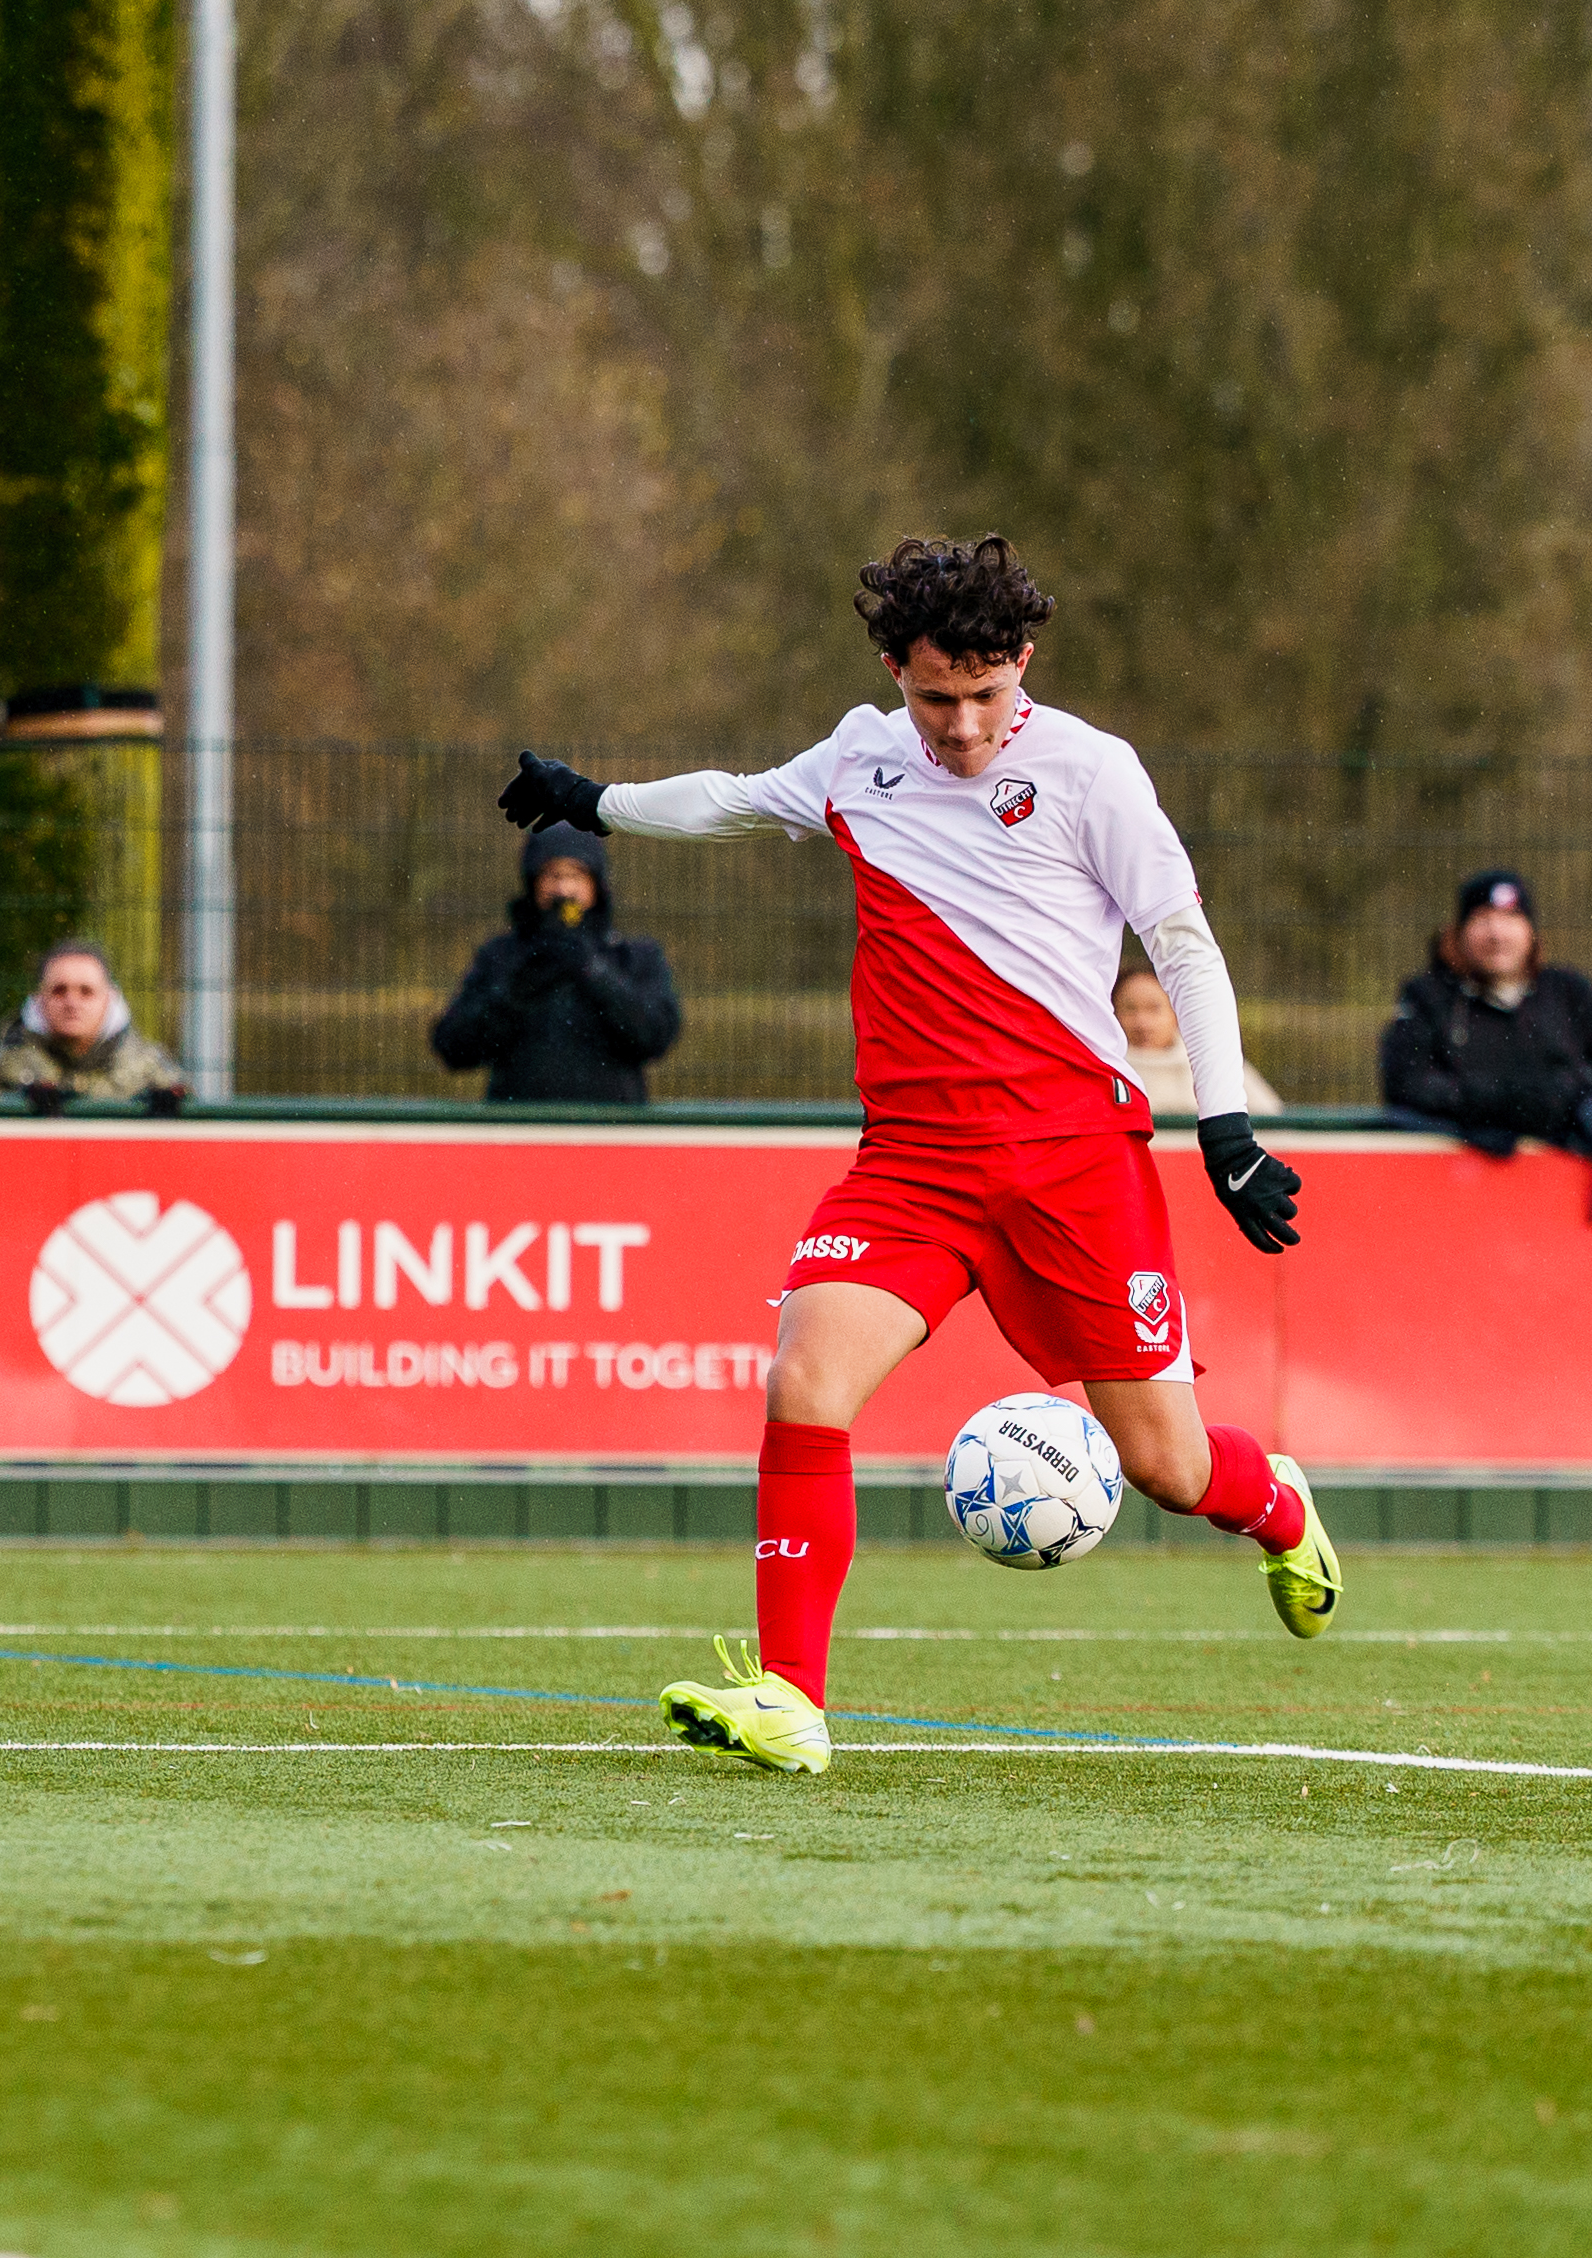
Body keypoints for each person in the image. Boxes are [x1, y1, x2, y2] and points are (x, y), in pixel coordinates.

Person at [495, 534, 1333, 1773]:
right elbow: (729, 796)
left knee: (1167, 1461)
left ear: (1023, 667)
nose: (962, 725)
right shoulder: (859, 755)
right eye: (935, 696)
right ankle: (790, 1695)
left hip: (1073, 1160)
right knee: (804, 1380)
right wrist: (594, 802)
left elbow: (1184, 942)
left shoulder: (1092, 772)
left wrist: (1226, 1126)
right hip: (914, 1163)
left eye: (986, 695)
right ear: (895, 669)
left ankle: (1277, 1506)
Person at [1378, 871, 1592, 1158]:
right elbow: (1407, 1083)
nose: (1496, 934)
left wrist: (1562, 1098)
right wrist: (1499, 1104)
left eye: (1509, 918)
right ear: (1458, 932)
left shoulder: (1570, 992)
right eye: (1482, 918)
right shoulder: (1427, 998)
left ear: (1531, 931)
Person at [427, 820, 683, 1103]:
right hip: (521, 1132)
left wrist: (594, 972)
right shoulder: (501, 955)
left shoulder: (631, 955)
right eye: (551, 875)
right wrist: (516, 992)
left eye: (575, 875)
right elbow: (453, 1048)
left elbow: (654, 1037)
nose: (563, 889)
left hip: (609, 1134)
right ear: (532, 882)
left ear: (596, 883)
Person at [0, 939, 191, 1114]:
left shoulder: (154, 1072)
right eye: (59, 991)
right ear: (39, 998)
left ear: (110, 999)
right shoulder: (4, 1068)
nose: (72, 1003)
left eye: (86, 991)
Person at [1116, 964, 1280, 1118]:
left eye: (1154, 1008)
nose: (1142, 1023)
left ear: (1176, 1011)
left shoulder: (1215, 1063)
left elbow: (1274, 1125)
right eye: (1130, 1009)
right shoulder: (1105, 1071)